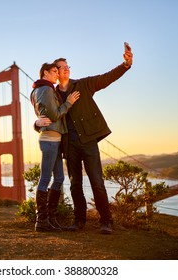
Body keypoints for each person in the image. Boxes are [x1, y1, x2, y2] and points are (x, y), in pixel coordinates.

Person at [37, 43, 133, 234]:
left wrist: (125, 65)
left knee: (97, 182)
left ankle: (106, 221)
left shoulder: (83, 84)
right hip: (68, 145)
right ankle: (79, 220)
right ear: (55, 72)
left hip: (88, 141)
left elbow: (106, 78)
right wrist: (36, 123)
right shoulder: (52, 93)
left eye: (67, 66)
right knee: (75, 185)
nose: (66, 69)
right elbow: (46, 114)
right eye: (61, 67)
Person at [30, 62, 80, 232]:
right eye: (54, 71)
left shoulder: (40, 89)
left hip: (55, 140)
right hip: (49, 140)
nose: (57, 75)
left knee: (59, 178)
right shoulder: (46, 89)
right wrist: (69, 102)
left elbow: (44, 115)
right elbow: (54, 114)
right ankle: (41, 221)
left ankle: (51, 218)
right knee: (45, 179)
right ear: (45, 72)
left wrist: (36, 123)